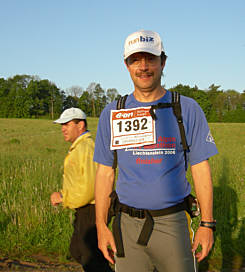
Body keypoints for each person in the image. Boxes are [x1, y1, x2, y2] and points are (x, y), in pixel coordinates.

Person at [93, 30, 218, 272]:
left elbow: (200, 168)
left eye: (150, 58)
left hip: (173, 224)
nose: (143, 67)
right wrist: (101, 226)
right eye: (135, 60)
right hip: (126, 228)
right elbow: (105, 172)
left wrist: (207, 224)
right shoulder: (112, 113)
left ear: (163, 61)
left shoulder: (186, 109)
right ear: (126, 65)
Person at [50, 107, 113, 272]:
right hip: (85, 208)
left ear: (81, 125)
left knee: (90, 258)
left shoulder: (85, 148)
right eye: (61, 125)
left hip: (93, 208)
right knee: (78, 250)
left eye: (67, 124)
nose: (63, 129)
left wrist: (64, 197)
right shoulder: (80, 147)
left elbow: (89, 187)